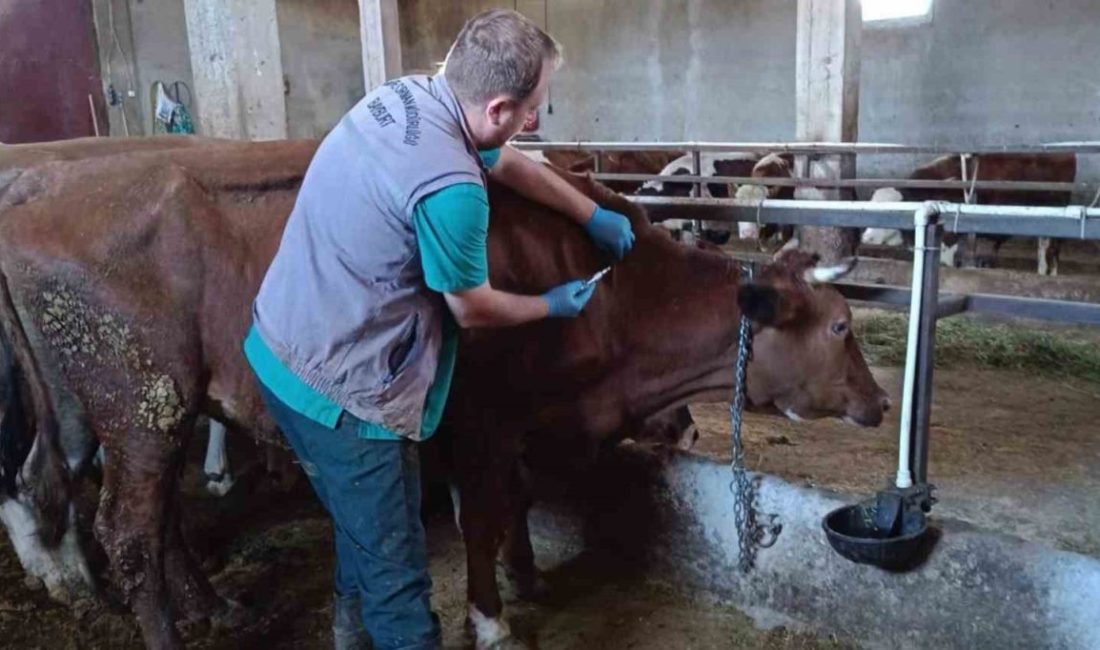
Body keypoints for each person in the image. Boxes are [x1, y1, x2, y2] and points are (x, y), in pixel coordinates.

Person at [244, 9, 633, 650]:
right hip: (344, 392)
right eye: (534, 106)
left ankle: (350, 633)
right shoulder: (453, 188)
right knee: (400, 585)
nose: (535, 118)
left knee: (361, 525)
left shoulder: (406, 97)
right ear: (500, 105)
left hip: (279, 342)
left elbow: (501, 158)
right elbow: (471, 308)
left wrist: (588, 211)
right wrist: (551, 305)